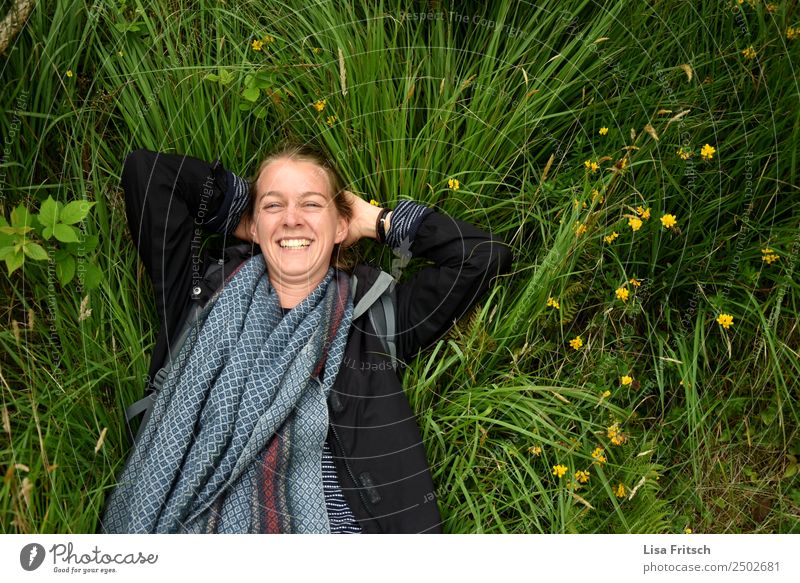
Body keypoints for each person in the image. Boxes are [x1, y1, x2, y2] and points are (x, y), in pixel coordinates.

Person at [99, 143, 513, 534]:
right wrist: (245, 212)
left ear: (340, 226)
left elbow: (482, 255)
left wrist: (376, 220)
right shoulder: (198, 297)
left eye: (312, 205)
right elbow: (149, 173)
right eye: (274, 204)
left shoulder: (375, 315)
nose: (292, 218)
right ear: (250, 226)